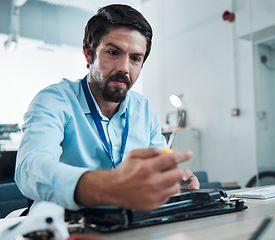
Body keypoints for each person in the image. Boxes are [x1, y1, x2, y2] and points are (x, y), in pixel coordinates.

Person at [14, 4, 199, 211]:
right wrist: (107, 186)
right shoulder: (54, 100)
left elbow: (159, 169)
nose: (124, 68)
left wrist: (173, 182)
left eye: (135, 58)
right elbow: (30, 170)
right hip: (65, 224)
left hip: (129, 223)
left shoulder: (145, 109)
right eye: (113, 52)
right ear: (88, 53)